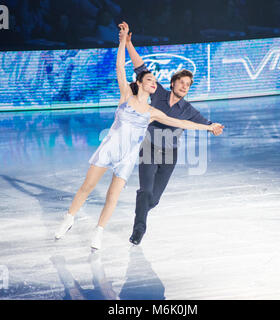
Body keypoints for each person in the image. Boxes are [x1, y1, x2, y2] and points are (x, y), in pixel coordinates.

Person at [55, 23, 224, 250]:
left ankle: (102, 230)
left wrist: (210, 127)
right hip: (123, 149)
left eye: (155, 81)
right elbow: (126, 66)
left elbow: (184, 122)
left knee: (129, 198)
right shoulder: (132, 95)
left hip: (144, 156)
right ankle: (76, 220)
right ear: (142, 83)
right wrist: (123, 42)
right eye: (150, 80)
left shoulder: (156, 112)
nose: (154, 83)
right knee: (93, 187)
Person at [119, 21, 225, 246]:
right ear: (173, 82)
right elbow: (141, 69)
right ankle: (139, 229)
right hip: (148, 149)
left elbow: (204, 122)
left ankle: (142, 210)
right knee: (145, 191)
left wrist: (213, 126)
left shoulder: (187, 109)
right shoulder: (157, 94)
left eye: (188, 84)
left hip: (169, 155)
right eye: (182, 82)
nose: (185, 87)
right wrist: (128, 44)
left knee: (153, 200)